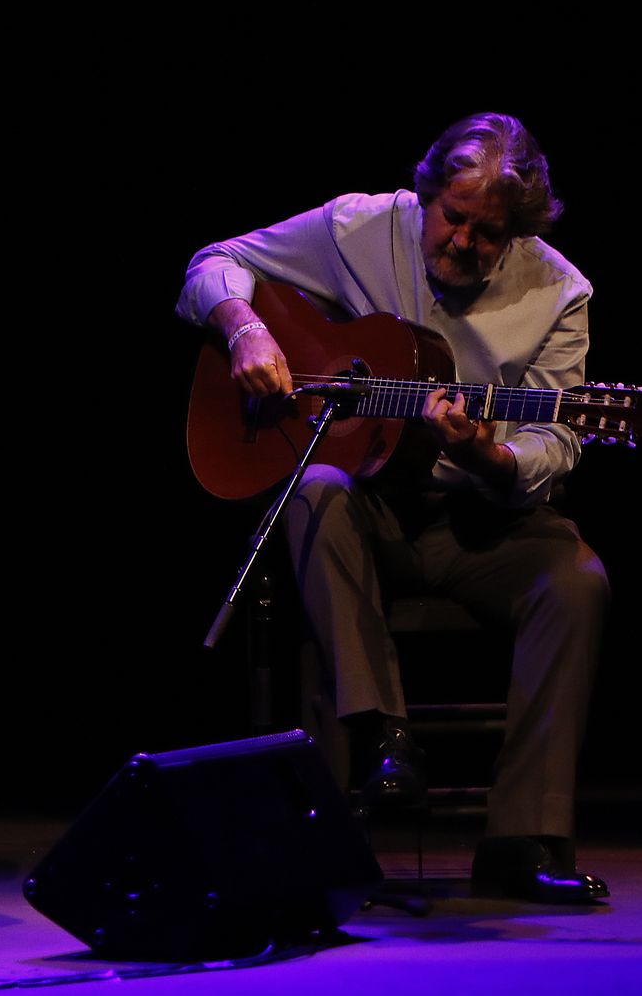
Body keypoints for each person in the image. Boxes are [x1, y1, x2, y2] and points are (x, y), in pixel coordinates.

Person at [179, 113, 610, 904]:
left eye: (490, 234)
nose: (464, 244)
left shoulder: (559, 290)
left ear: (516, 233)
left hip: (481, 518)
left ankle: (524, 837)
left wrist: (491, 452)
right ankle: (384, 735)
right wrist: (245, 329)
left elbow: (561, 435)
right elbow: (213, 264)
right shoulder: (355, 228)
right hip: (366, 512)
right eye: (454, 219)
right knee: (312, 489)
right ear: (427, 195)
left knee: (577, 579)